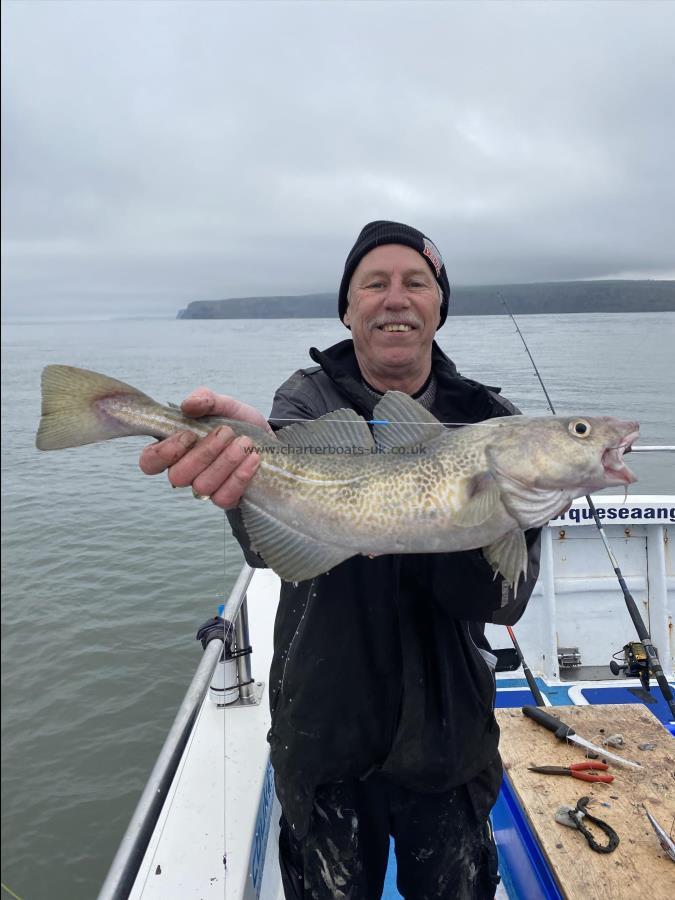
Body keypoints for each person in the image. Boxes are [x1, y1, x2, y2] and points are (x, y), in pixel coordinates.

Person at [139, 221, 542, 899]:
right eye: (373, 283)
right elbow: (267, 553)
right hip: (324, 725)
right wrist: (249, 465)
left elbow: (503, 602)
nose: (395, 298)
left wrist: (478, 509)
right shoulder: (304, 403)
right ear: (347, 308)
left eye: (416, 283)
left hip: (447, 735)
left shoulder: (490, 421)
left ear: (438, 305)